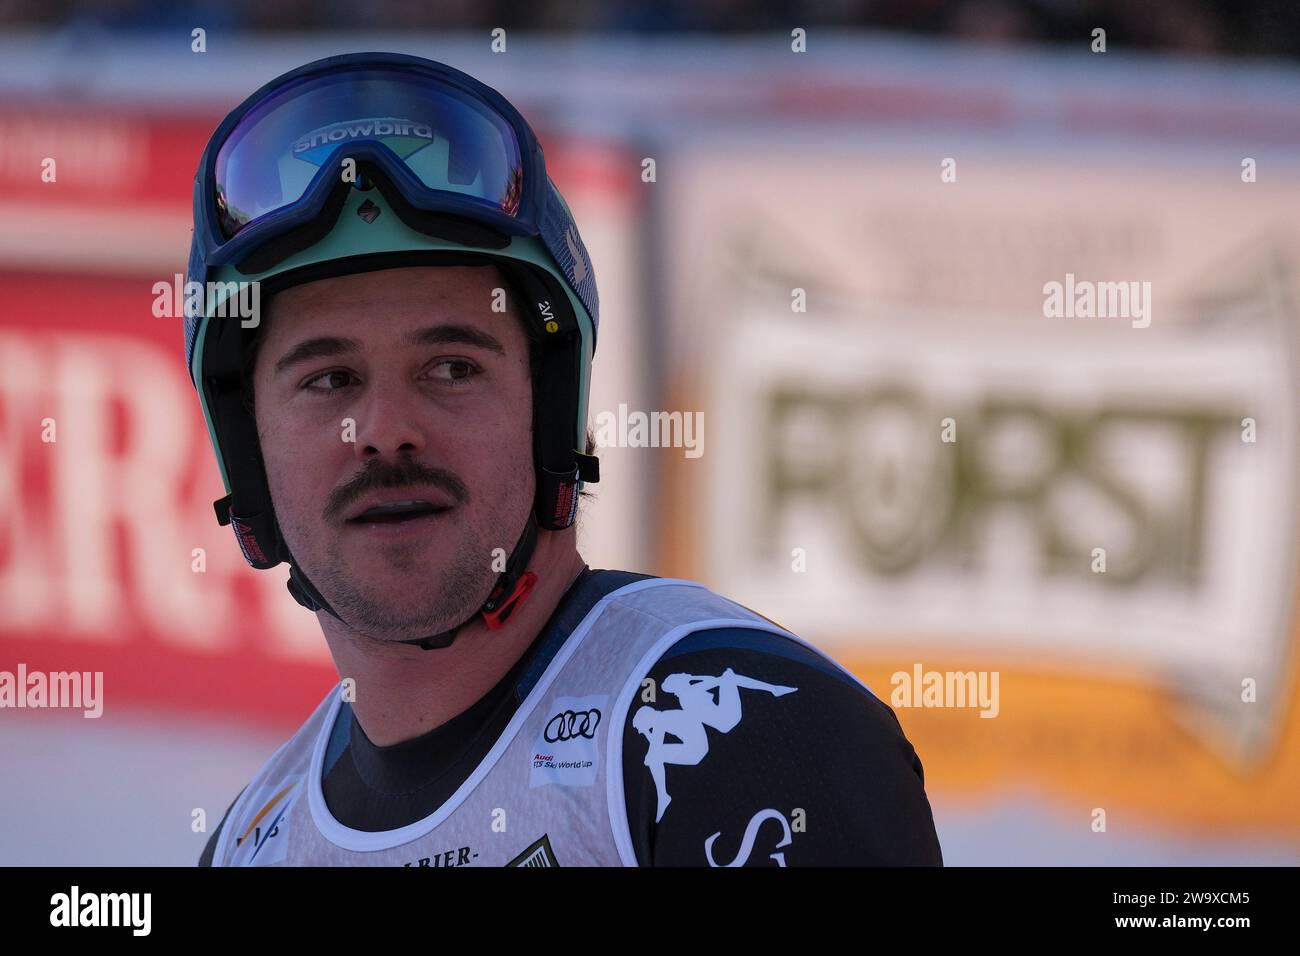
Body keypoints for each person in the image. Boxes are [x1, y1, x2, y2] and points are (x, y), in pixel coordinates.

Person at [186, 51, 942, 866]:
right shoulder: (244, 847)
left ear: (553, 418)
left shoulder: (744, 742)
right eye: (329, 379)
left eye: (452, 368)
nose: (385, 430)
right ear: (248, 447)